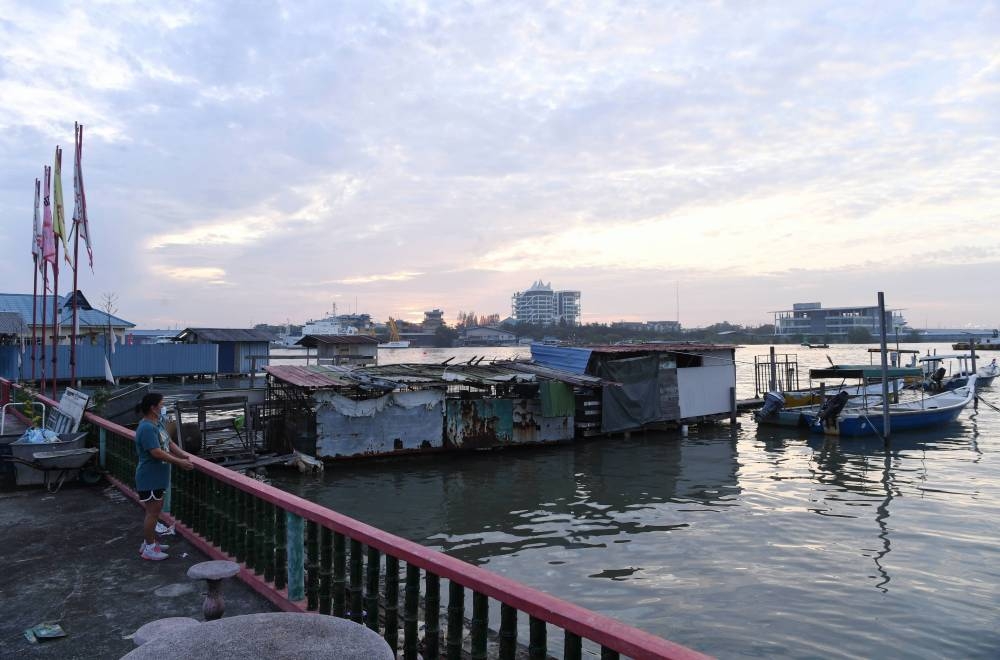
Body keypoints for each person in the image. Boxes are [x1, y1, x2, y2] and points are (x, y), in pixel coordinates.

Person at [134, 393, 193, 560]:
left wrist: (183, 454)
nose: (162, 407)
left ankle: (149, 542)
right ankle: (150, 549)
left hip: (157, 476)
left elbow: (169, 442)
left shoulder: (157, 423)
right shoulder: (146, 428)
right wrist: (179, 462)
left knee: (154, 511)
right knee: (152, 513)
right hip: (149, 476)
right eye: (161, 404)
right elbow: (157, 452)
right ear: (153, 408)